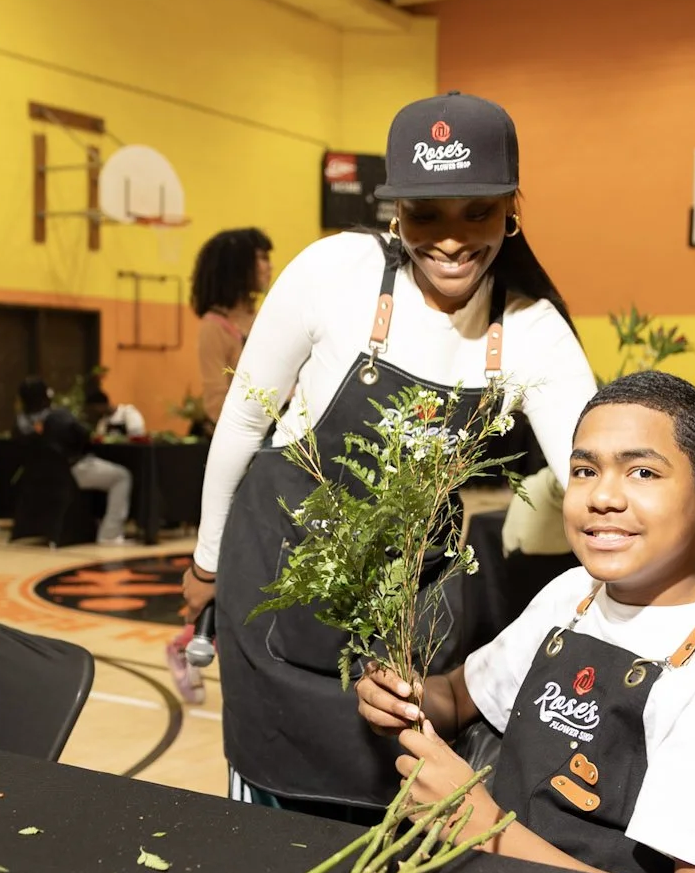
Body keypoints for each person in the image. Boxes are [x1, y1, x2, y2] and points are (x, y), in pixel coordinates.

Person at [182, 91, 598, 819]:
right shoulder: (334, 274)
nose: (451, 238)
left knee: (394, 806)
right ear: (395, 212)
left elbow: (593, 478)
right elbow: (243, 424)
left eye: (478, 212)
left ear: (512, 207)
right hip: (278, 574)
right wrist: (205, 565)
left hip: (406, 604)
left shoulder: (532, 330)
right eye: (425, 213)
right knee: (272, 809)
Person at [355, 373, 695, 873]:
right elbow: (457, 698)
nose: (603, 497)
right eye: (585, 470)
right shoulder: (574, 594)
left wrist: (483, 826)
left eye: (641, 472)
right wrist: (401, 694)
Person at [17, 377, 133, 545]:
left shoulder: (21, 423)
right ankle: (110, 534)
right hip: (72, 470)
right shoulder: (59, 416)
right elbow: (84, 435)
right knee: (122, 476)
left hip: (41, 478)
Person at [192, 228, 275, 428]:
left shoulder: (263, 318)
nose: (270, 266)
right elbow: (215, 404)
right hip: (247, 438)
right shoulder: (214, 327)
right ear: (238, 266)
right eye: (262, 258)